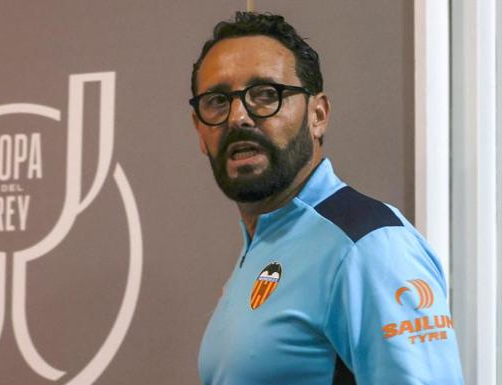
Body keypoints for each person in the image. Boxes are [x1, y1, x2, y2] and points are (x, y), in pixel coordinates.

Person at [189, 11, 464, 385]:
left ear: (317, 115)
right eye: (218, 101)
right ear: (200, 132)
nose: (239, 116)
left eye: (266, 94)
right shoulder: (264, 243)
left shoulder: (368, 246)